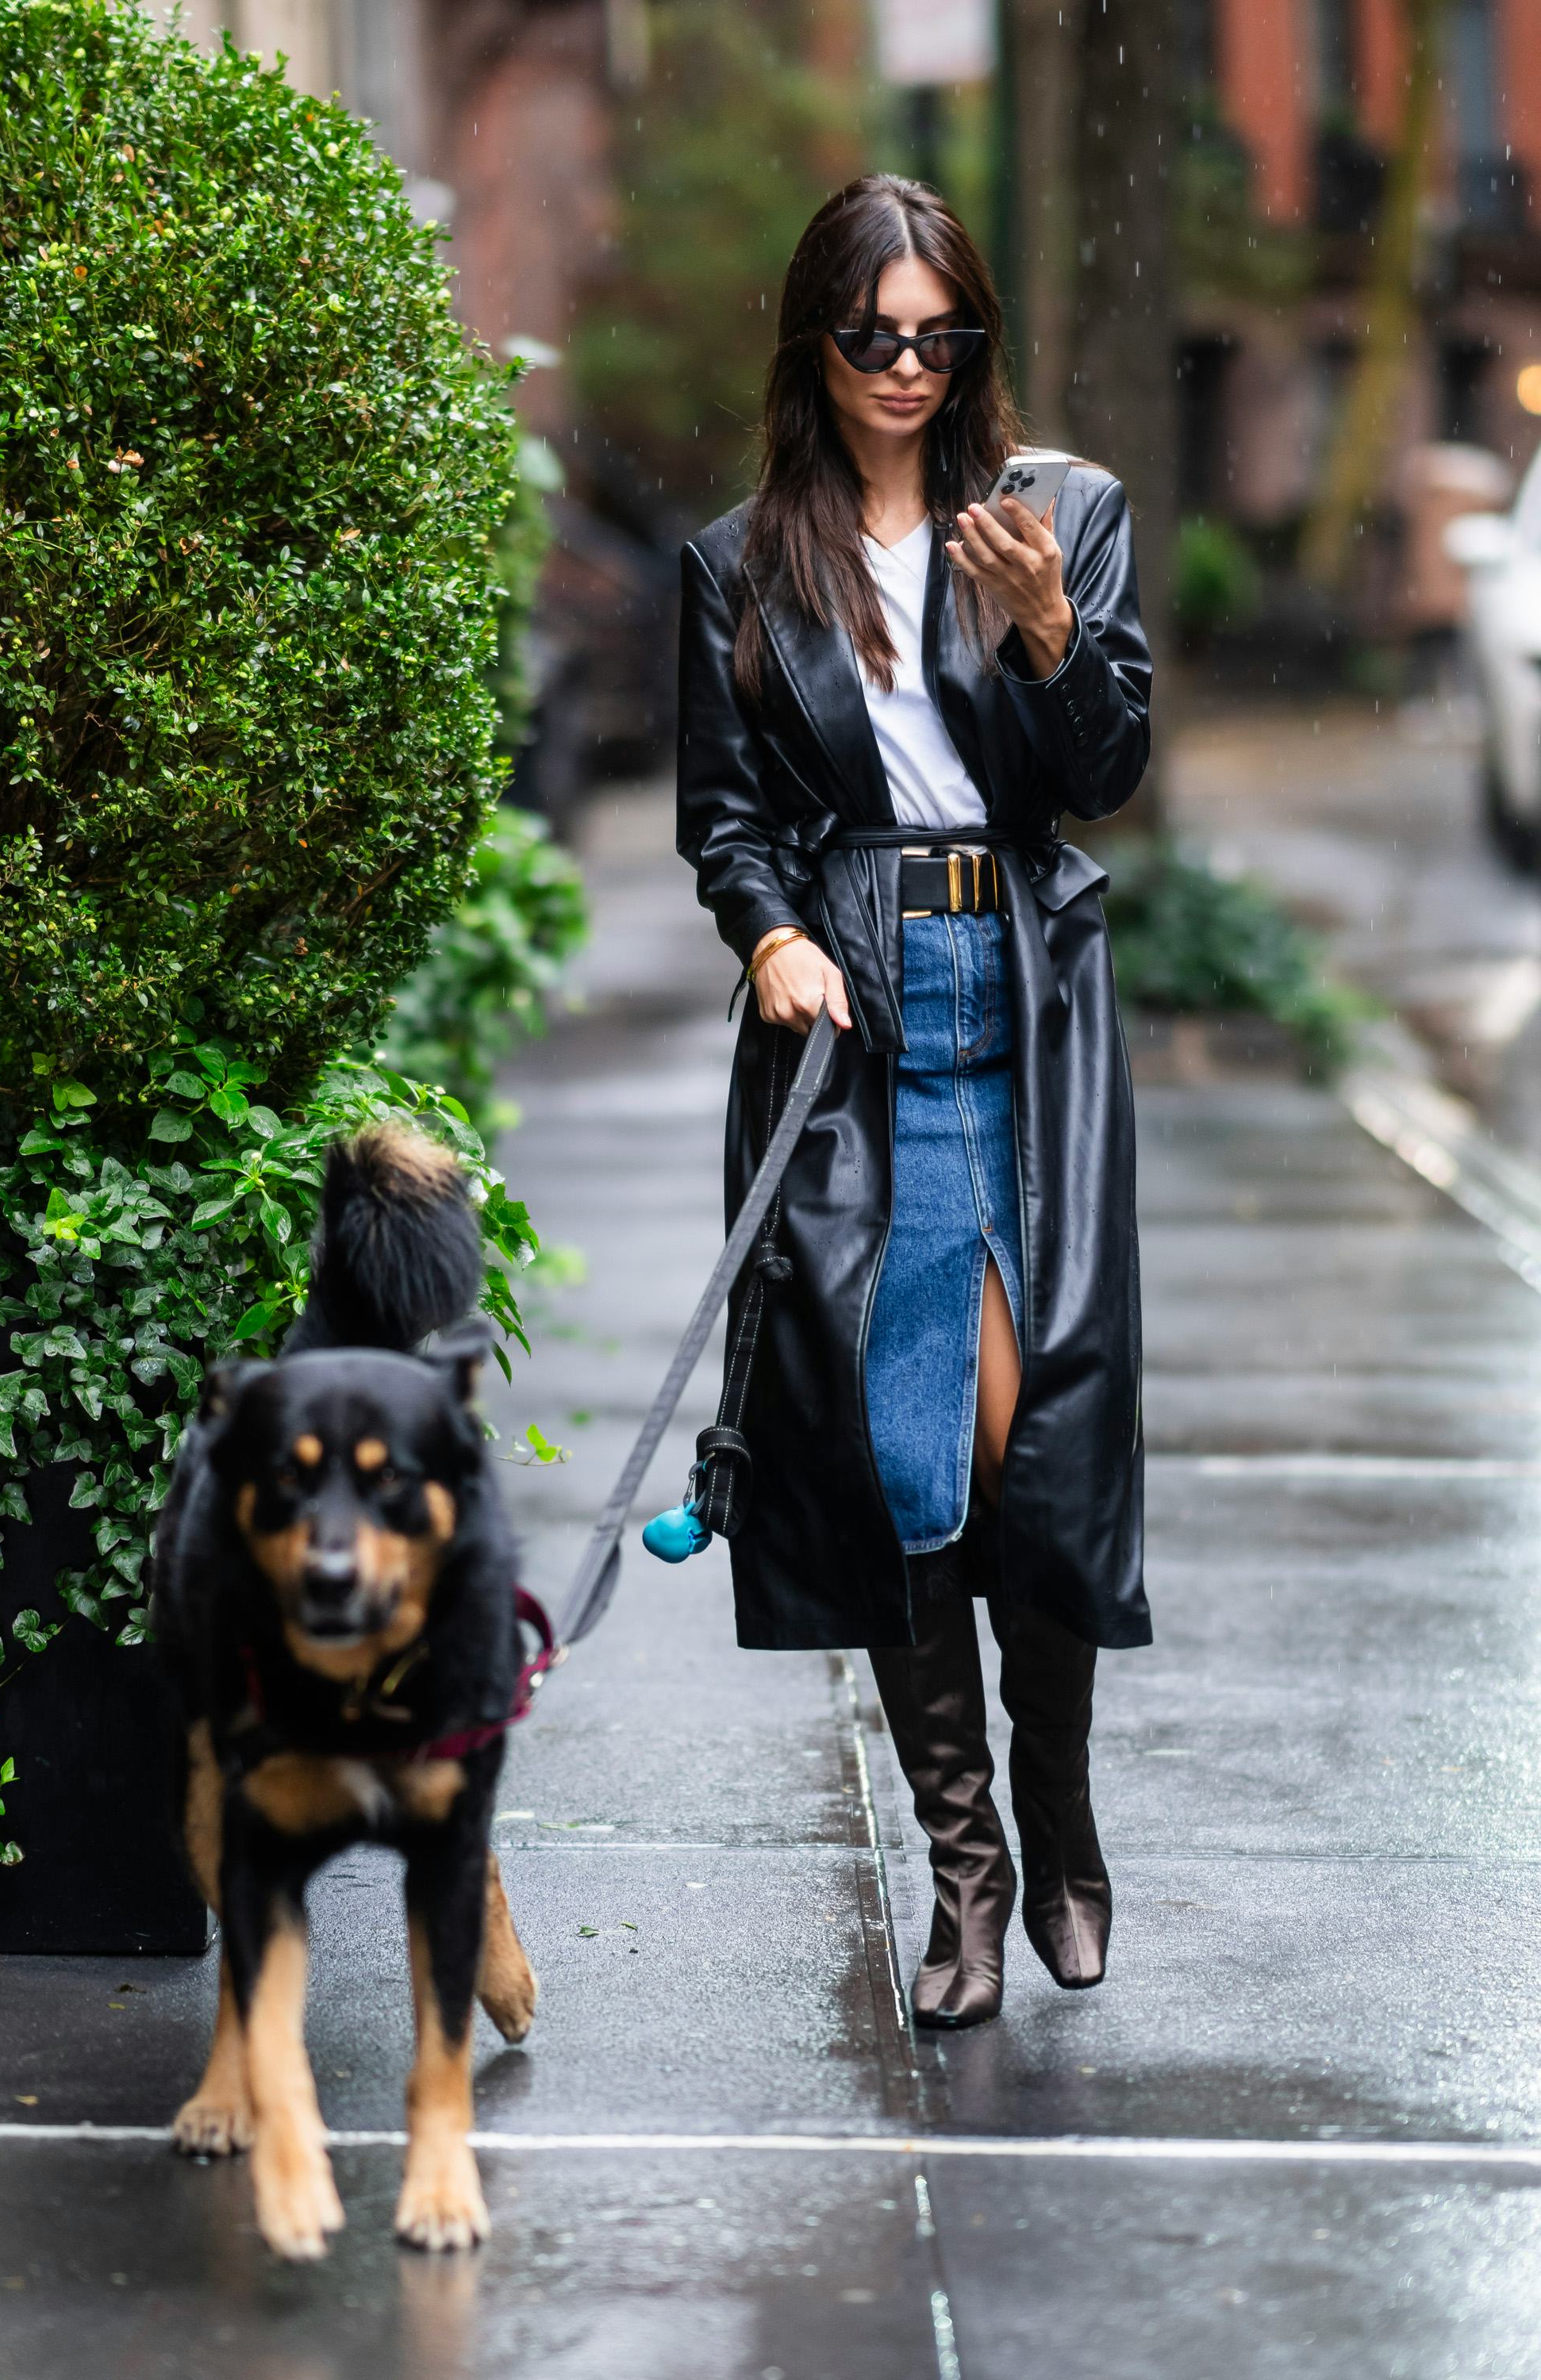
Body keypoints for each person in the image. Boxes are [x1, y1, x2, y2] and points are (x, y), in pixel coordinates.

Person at [676, 175, 1151, 2030]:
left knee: (1034, 1440)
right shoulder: (741, 559)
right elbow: (724, 813)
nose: (904, 364)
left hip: (1022, 991)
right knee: (902, 1448)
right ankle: (965, 1871)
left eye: (936, 332)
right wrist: (770, 932)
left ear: (974, 338)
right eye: (871, 333)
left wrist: (1046, 633)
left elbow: (1096, 769)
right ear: (816, 336)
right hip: (851, 1007)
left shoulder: (1065, 512)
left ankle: (1056, 1804)